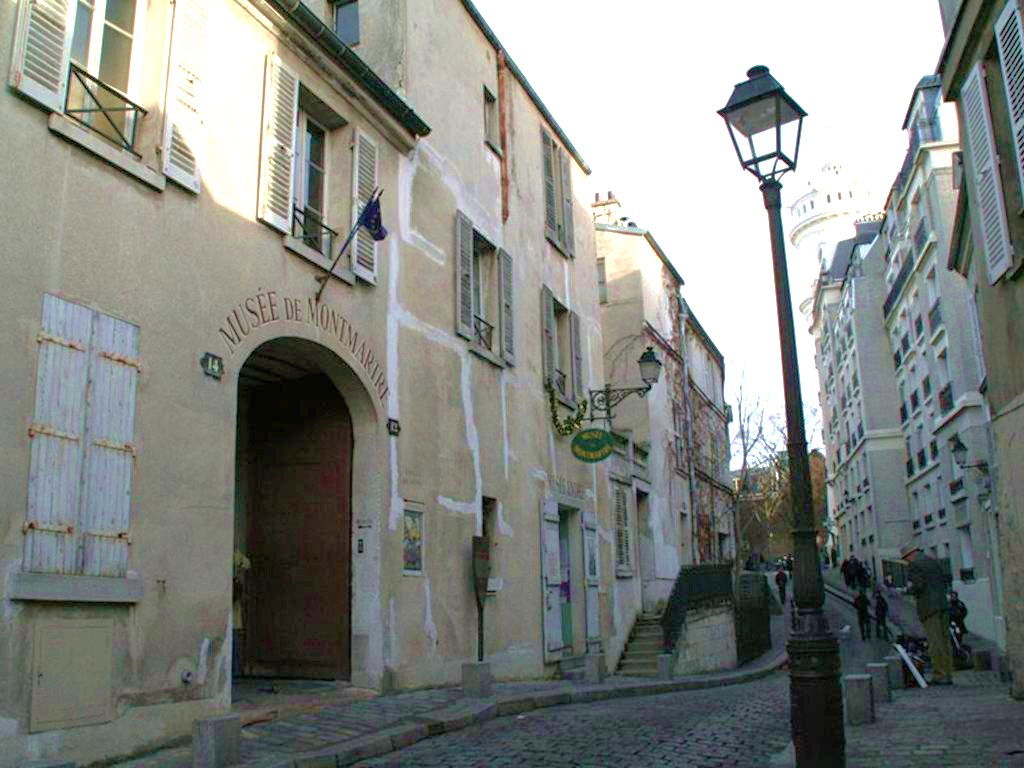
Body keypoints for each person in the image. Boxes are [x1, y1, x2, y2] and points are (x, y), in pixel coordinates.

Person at [904, 545, 954, 685]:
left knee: (935, 641)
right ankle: (948, 673)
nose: (907, 561)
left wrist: (910, 588)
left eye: (906, 558)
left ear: (910, 555)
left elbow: (918, 585)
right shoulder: (933, 561)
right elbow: (945, 578)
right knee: (945, 641)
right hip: (942, 604)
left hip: (929, 607)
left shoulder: (915, 565)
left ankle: (940, 674)